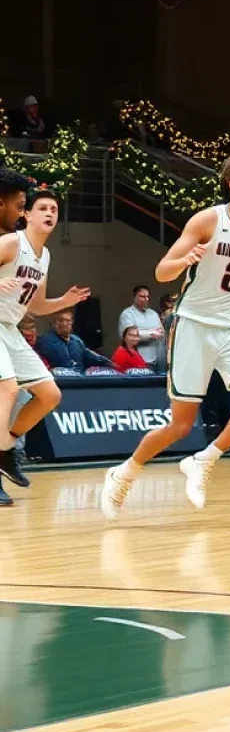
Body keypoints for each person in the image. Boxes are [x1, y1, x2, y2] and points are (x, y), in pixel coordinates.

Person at [99, 151, 230, 519]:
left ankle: (205, 459)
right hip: (194, 325)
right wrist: (185, 260)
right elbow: (163, 271)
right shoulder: (208, 220)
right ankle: (124, 472)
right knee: (181, 424)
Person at [0, 186, 90, 500]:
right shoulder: (12, 243)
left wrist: (63, 301)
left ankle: (5, 447)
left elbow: (36, 306)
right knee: (8, 389)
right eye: (42, 208)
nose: (50, 213)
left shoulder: (45, 255)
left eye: (54, 209)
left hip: (9, 328)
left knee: (50, 395)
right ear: (25, 214)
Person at [36, 309, 110, 372]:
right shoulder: (44, 341)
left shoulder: (77, 341)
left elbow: (89, 355)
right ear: (54, 323)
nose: (64, 324)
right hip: (58, 382)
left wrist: (110, 364)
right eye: (61, 320)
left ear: (71, 322)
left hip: (79, 381)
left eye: (68, 320)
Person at [117, 285, 165, 369]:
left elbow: (162, 332)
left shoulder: (153, 314)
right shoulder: (127, 314)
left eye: (147, 297)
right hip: (138, 361)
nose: (146, 299)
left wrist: (144, 333)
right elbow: (130, 337)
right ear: (135, 297)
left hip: (158, 360)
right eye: (142, 296)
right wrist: (152, 333)